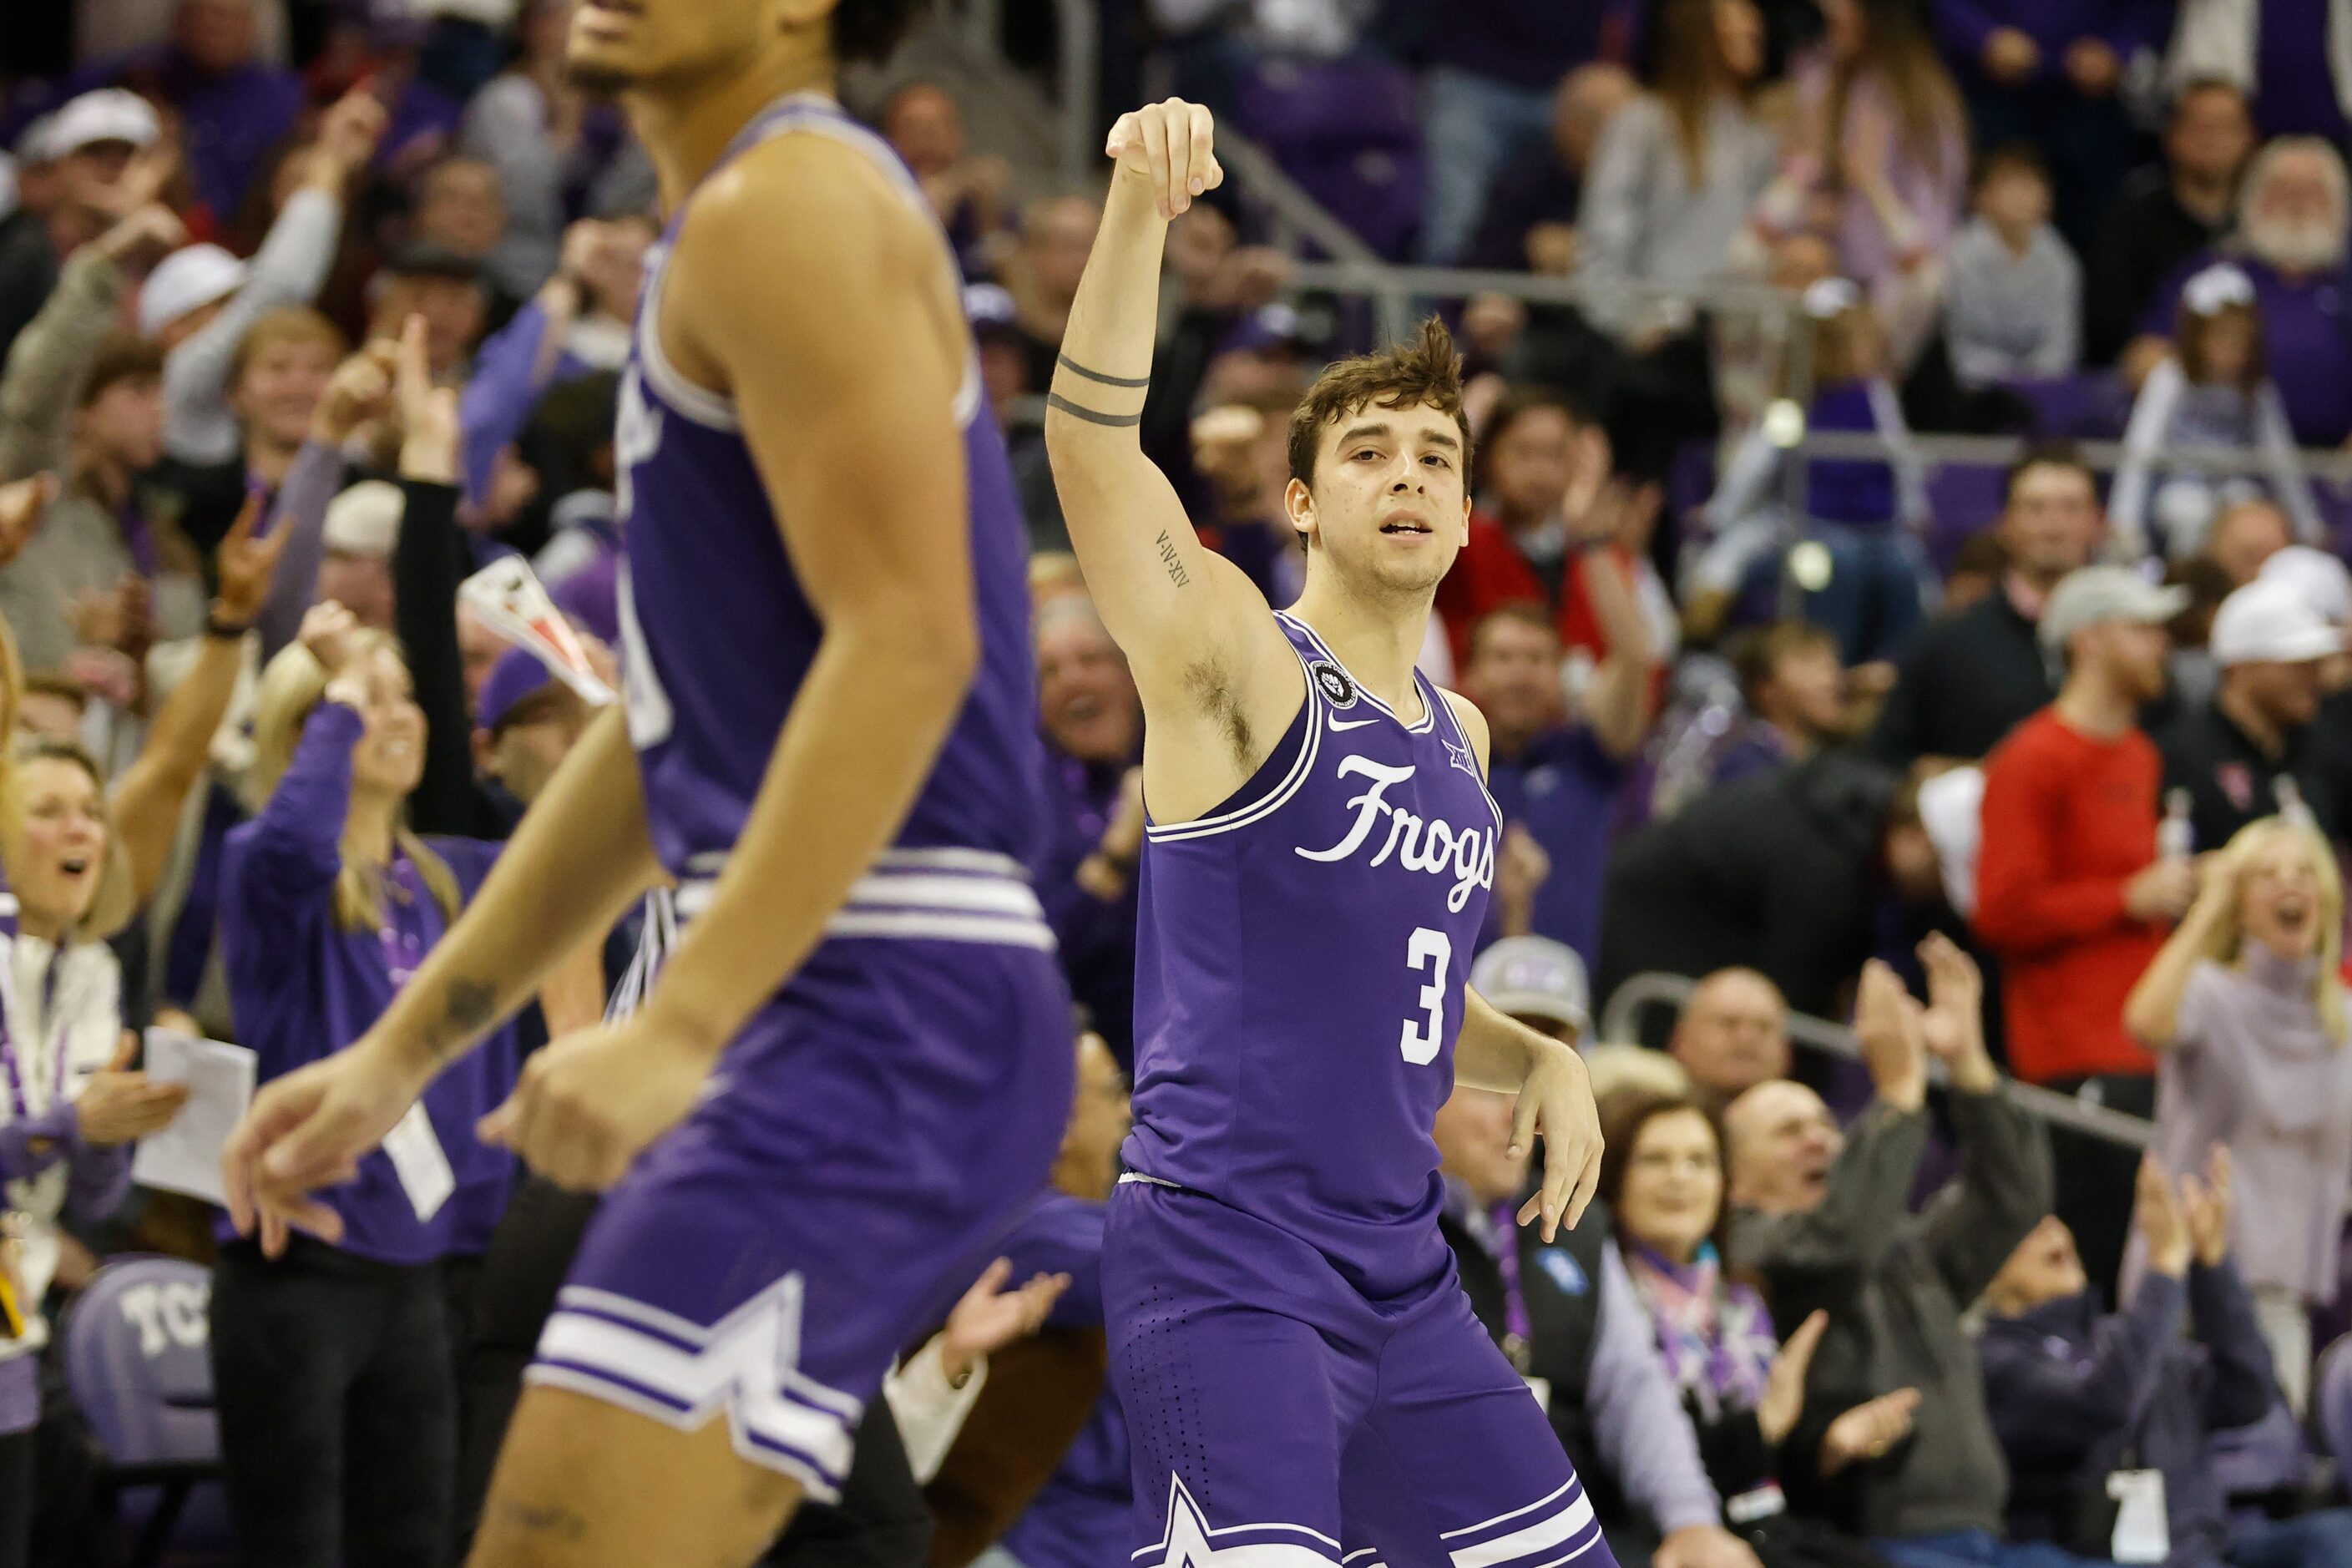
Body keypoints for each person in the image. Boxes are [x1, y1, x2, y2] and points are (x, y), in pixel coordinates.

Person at [224, 3, 1075, 1563]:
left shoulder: (788, 205)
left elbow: (910, 640)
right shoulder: (733, 223)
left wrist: (679, 1022)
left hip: (877, 999)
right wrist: (397, 1056)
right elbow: (661, 730)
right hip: (864, 1008)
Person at [1044, 97, 1610, 1568]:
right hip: (1226, 1254)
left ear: (1471, 516)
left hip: (1401, 1272)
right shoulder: (1235, 661)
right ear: (1300, 499)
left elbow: (1394, 975)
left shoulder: (1462, 736)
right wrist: (1133, 214)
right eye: (1369, 450)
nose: (1410, 472)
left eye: (1437, 454)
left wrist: (1538, 1054)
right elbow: (1091, 446)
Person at [0, 478, 286, 1568]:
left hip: (25, 1313)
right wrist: (75, 1129)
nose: (81, 825)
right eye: (49, 809)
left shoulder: (87, 948)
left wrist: (224, 625)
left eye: (88, 809)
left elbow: (167, 767)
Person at [1725, 944, 2061, 1568]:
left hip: (1991, 1535)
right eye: (1786, 1131)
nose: (1817, 1140)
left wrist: (1967, 1064)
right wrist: (1900, 1089)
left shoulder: (1900, 1244)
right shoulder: (1749, 1247)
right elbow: (1840, 1243)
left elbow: (2013, 1199)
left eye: (1824, 1126)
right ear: (1735, 1180)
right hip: (1873, 1542)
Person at [1432, 1081, 1763, 1568]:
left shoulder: (1573, 1223)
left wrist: (1692, 1523)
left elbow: (1631, 1386)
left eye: (1526, 1094)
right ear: (1422, 1095)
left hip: (1567, 1525)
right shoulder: (1379, 1223)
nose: (1521, 1116)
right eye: (1492, 1093)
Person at [1975, 565, 2186, 1302]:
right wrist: (2126, 896)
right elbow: (1999, 910)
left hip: (2147, 1051)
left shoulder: (2139, 754)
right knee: (2091, 1268)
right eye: (2142, 628)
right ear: (2089, 641)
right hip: (2070, 1057)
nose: (2162, 644)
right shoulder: (2032, 758)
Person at [1980, 1154, 2352, 1568]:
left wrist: (2212, 1264)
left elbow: (2247, 1392)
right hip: (2090, 1556)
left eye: (2051, 1220)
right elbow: (2103, 1402)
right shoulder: (1997, 1361)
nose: (2050, 1231)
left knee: (2339, 1539)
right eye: (2026, 1230)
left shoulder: (2125, 1337)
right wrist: (2163, 1267)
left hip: (2209, 1549)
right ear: (1985, 1273)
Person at [1602, 1092, 1914, 1568]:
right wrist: (1759, 1429)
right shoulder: (1600, 1299)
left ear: (1724, 1185)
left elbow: (1772, 1466)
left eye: (1699, 1161)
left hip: (1772, 1532)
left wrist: (1828, 1444)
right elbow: (1622, 1461)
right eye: (1654, 1160)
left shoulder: (1744, 1301)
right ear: (1614, 1179)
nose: (1679, 1178)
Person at [2122, 817, 2352, 1414]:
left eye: (2303, 872)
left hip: (2279, 1296)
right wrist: (2206, 911)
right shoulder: (2207, 993)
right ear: (2239, 905)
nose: (2289, 885)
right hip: (2183, 1289)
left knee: (2266, 1474)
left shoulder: (2343, 1022)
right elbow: (2144, 1024)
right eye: (2267, 874)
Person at [1597, 753, 1942, 1020]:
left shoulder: (1849, 812)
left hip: (1685, 910)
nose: (1941, 888)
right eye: (1939, 867)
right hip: (1657, 930)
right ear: (1914, 835)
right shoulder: (1824, 866)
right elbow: (1795, 1002)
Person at [1869, 446, 2102, 767]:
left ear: (2097, 523)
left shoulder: (2129, 645)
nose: (2054, 527)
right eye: (2035, 509)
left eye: (2071, 509)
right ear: (2004, 525)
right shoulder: (1947, 645)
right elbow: (1883, 764)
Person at [1572, 0, 1779, 346]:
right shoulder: (1643, 123)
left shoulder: (1756, 138)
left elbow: (1757, 239)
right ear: (1699, 34)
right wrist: (1630, 324)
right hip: (1654, 334)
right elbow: (1605, 238)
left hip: (1729, 336)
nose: (1751, 26)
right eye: (1734, 18)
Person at [1456, 599, 1651, 964]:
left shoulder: (1590, 759)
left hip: (1568, 999)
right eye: (1503, 658)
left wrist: (1596, 550)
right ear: (1471, 674)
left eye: (1536, 659)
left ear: (1560, 674)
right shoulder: (1441, 766)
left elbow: (1634, 657)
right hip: (1456, 998)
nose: (1520, 675)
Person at [1776, 0, 1968, 367]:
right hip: (1823, 270)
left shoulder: (1926, 100)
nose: (1831, 10)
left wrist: (1872, 182)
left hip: (1884, 282)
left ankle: (1869, 382)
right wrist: (1811, 209)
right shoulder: (1820, 82)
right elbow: (1791, 188)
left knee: (1928, 279)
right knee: (1773, 259)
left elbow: (1931, 237)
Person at [2132, 138, 2352, 448]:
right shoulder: (2213, 273)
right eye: (2282, 190)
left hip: (2337, 464)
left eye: (2313, 192)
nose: (2297, 203)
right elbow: (2145, 357)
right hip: (2221, 458)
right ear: (2252, 200)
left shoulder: (2346, 280)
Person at [2107, 264, 2321, 564]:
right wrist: (2124, 523)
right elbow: (2142, 450)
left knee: (2252, 521)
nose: (2232, 351)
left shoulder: (2255, 388)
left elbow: (2279, 456)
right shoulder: (2170, 379)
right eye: (2221, 339)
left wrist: (2308, 525)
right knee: (2188, 514)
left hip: (2234, 486)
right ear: (2196, 338)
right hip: (2181, 486)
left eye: (2241, 342)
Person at [1932, 0, 2155, 248]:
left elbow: (2149, 9)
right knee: (1986, 228)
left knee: (2096, 232)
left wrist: (2118, 49)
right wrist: (1980, 35)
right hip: (1988, 91)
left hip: (2090, 101)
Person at [1033, 594, 1145, 1067]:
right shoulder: (1033, 805)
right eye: (1050, 672)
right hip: (1100, 1063)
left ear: (1132, 675)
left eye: (1090, 660)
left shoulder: (1200, 763)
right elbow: (1044, 952)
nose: (1072, 680)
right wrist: (1117, 853)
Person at [2156, 578, 2345, 852]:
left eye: (2316, 664)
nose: (2315, 677)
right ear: (2240, 667)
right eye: (2297, 664)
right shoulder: (2180, 755)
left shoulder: (2323, 748)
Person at [2084, 80, 2253, 367]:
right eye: (2199, 126)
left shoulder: (2263, 221)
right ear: (2171, 136)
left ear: (2249, 138)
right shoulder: (2131, 218)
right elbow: (2108, 323)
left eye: (2224, 126)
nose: (2211, 139)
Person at [1464, 63, 1638, 275]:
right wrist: (1529, 246)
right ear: (1568, 126)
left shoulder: (1654, 183)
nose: (1620, 143)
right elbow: (1480, 263)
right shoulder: (1528, 177)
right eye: (1602, 128)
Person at [1942, 144, 2079, 387]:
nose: (2022, 196)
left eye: (2031, 185)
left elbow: (2061, 345)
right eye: (2010, 185)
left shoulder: (2061, 261)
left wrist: (2033, 379)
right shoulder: (1960, 257)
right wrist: (2009, 378)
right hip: (1977, 391)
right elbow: (1963, 349)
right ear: (1981, 196)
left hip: (2041, 389)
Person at [1717, 622, 1849, 784]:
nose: (1832, 680)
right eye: (1810, 663)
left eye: (1831, 664)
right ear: (1766, 690)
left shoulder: (1832, 763)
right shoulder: (1746, 769)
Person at [1668, 969, 1792, 1111]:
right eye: (1728, 1023)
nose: (1747, 1038)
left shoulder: (1811, 1128)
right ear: (1680, 1040)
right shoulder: (1647, 1118)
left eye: (1764, 1028)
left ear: (1787, 1052)